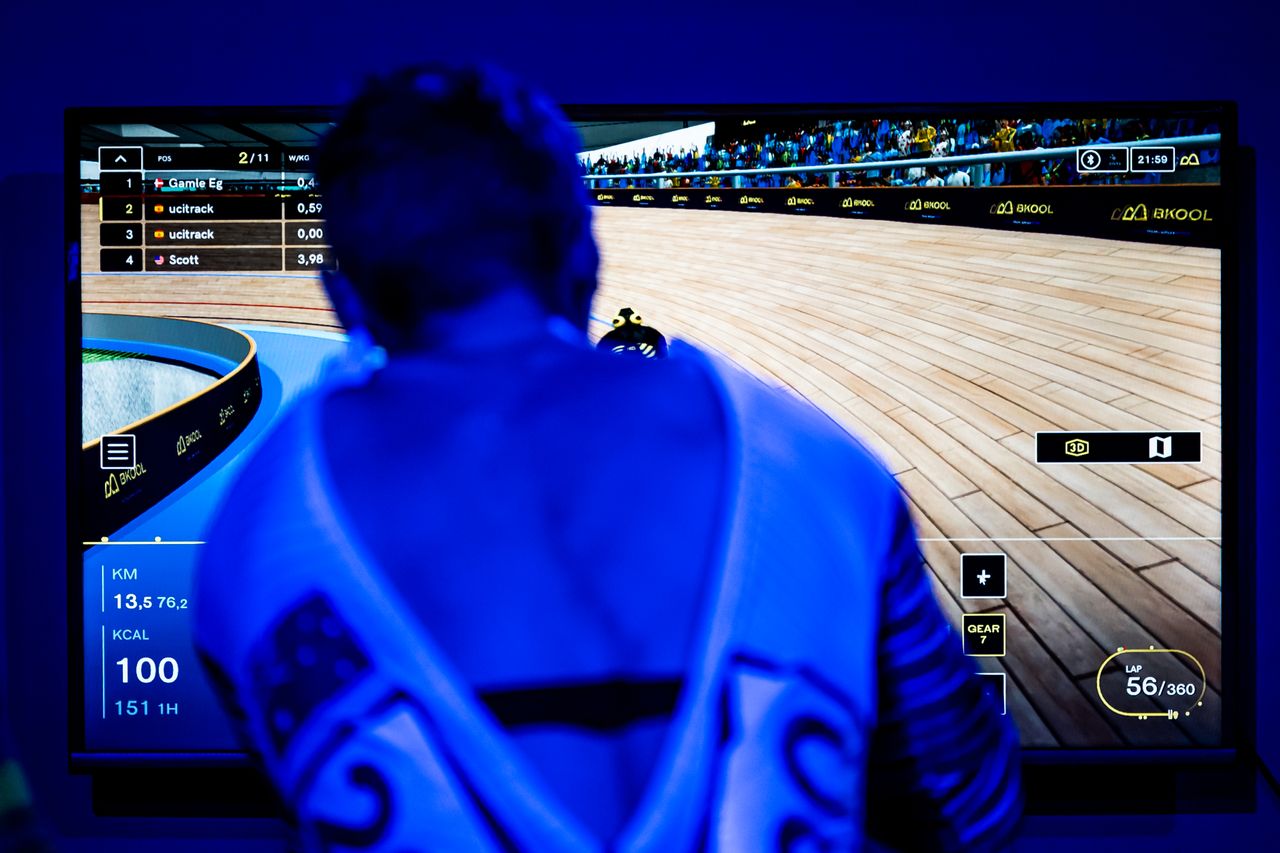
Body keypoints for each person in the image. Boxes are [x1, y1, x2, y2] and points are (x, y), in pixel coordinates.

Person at [193, 63, 1021, 852]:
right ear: (583, 256)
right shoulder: (814, 457)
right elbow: (970, 810)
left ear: (343, 298)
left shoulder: (253, 525)